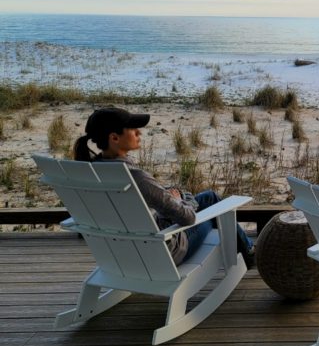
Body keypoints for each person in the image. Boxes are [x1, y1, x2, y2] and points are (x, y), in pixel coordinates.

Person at [72, 107, 255, 268]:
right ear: (114, 138)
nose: (139, 132)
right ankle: (248, 255)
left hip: (119, 254)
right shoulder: (135, 177)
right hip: (165, 252)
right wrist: (178, 200)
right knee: (213, 204)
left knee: (207, 197)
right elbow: (188, 218)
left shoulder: (89, 172)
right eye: (132, 129)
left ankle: (247, 250)